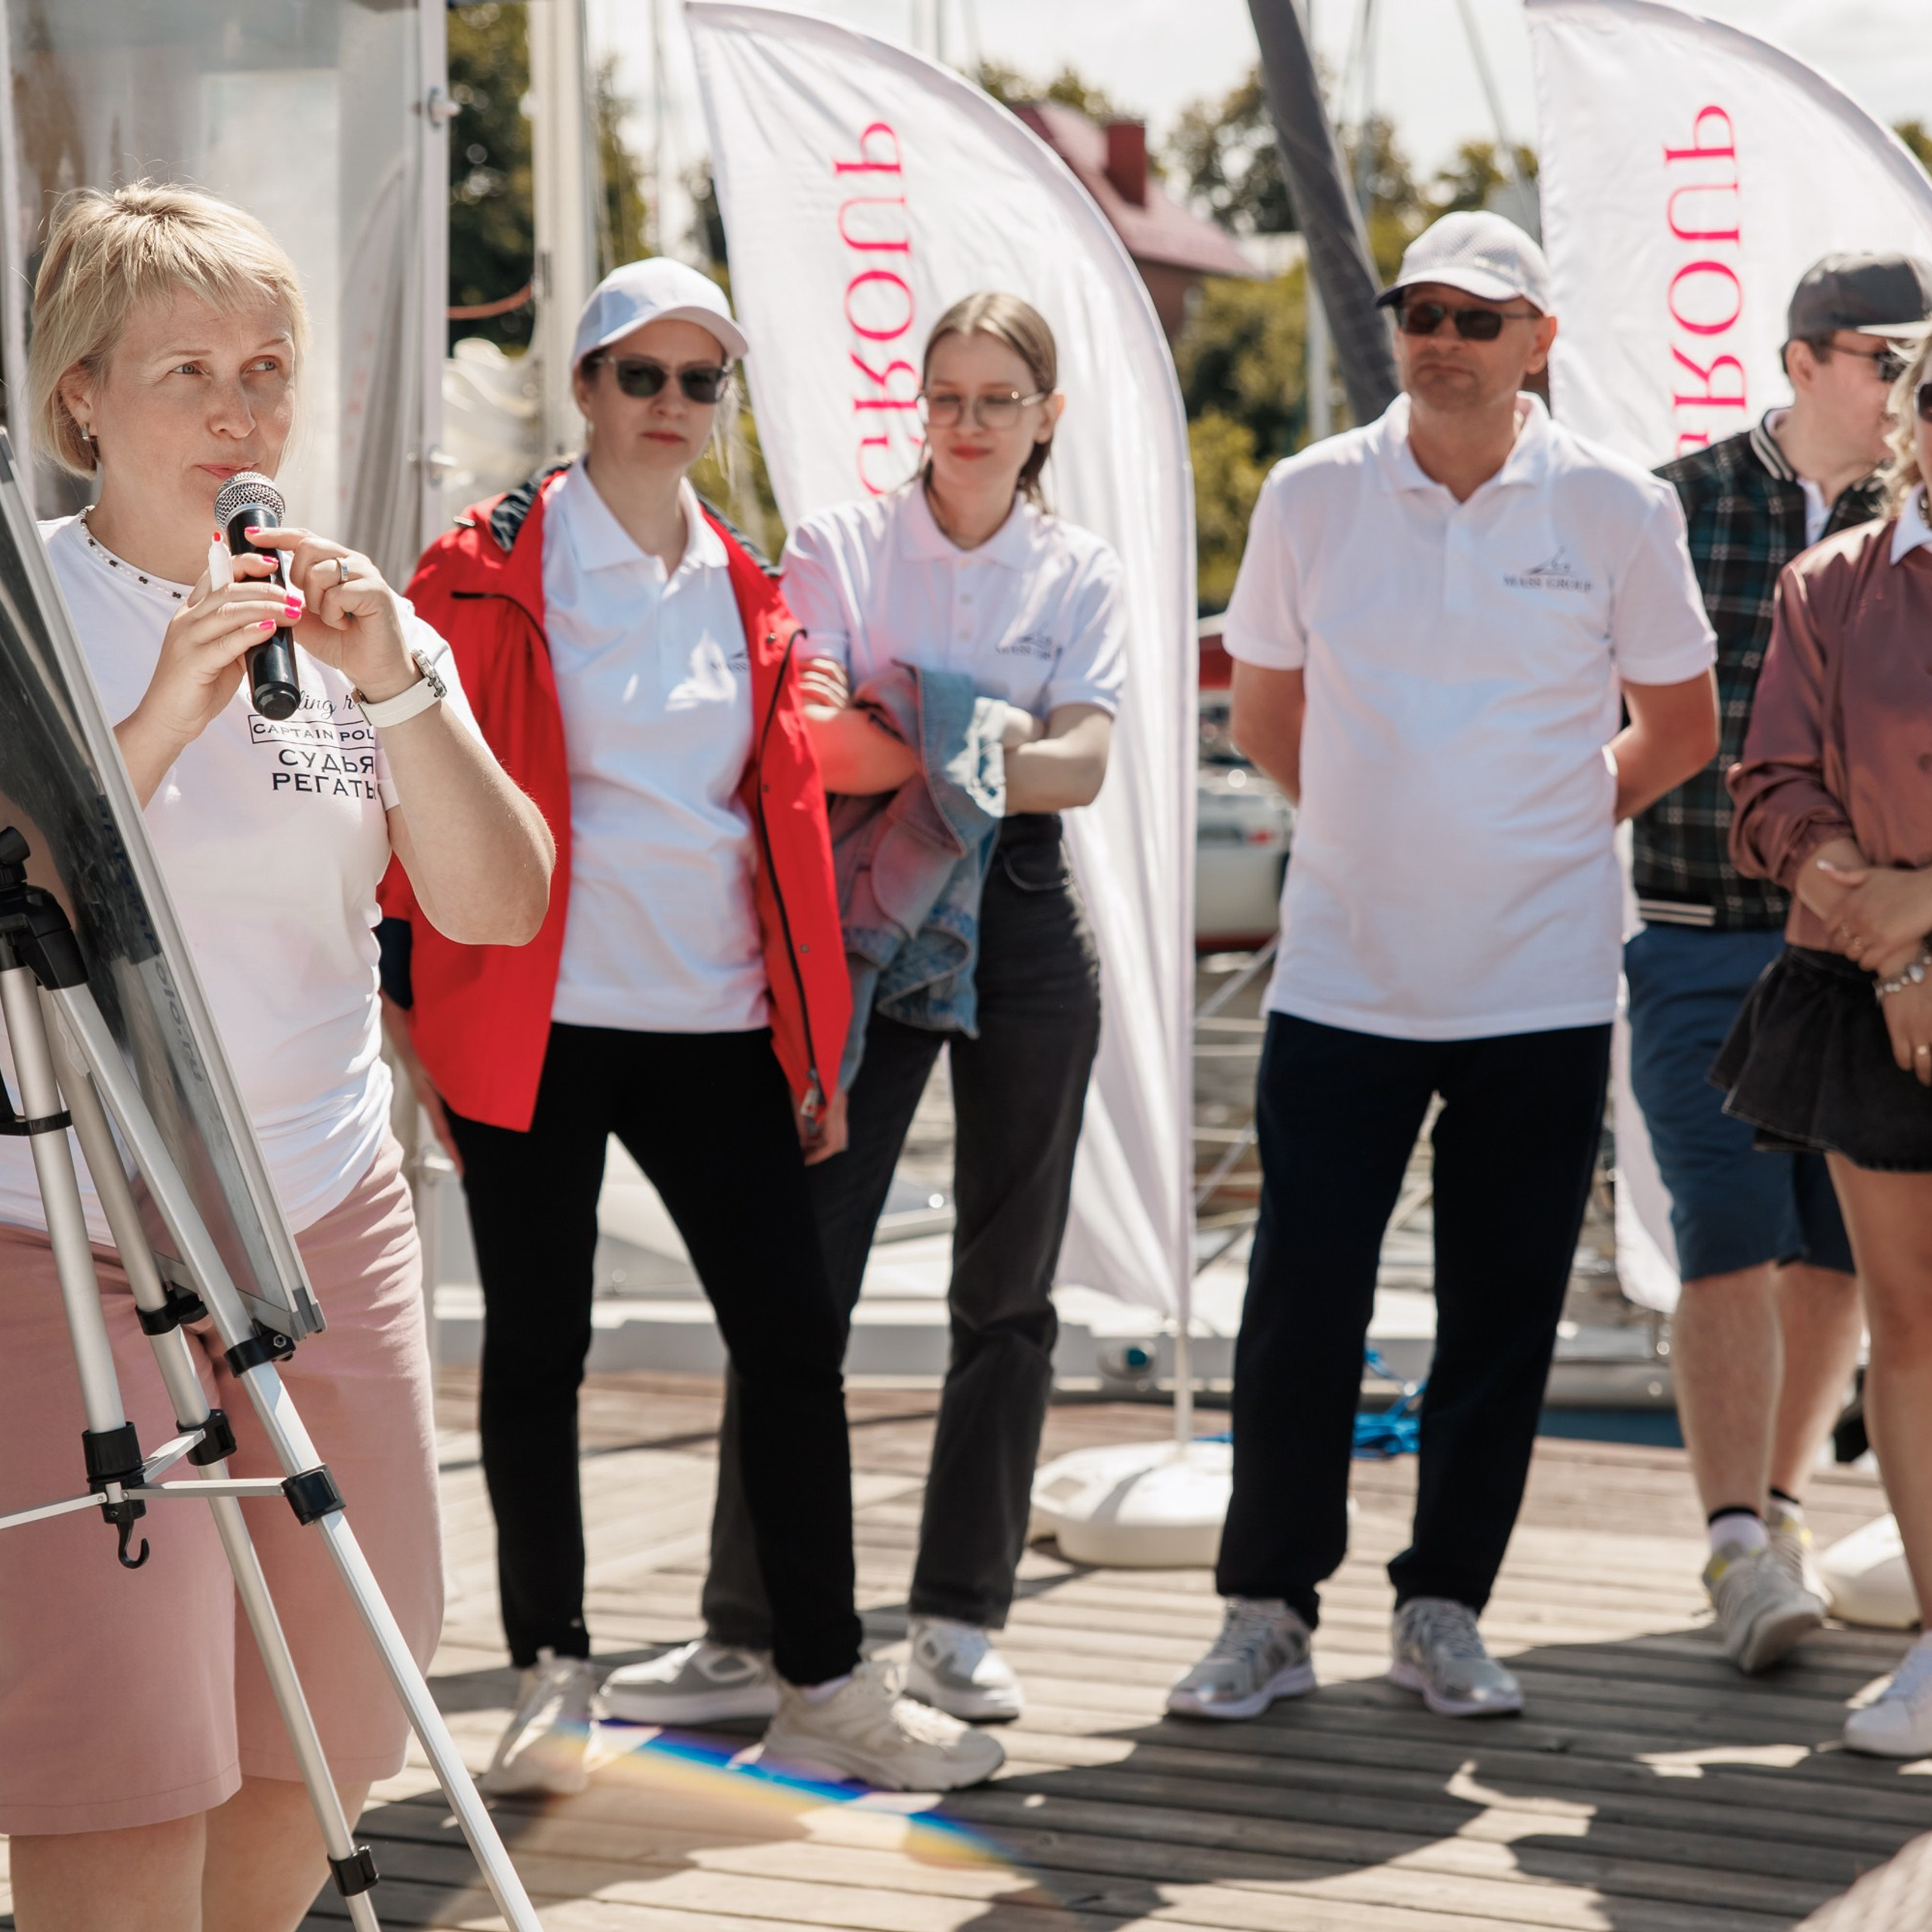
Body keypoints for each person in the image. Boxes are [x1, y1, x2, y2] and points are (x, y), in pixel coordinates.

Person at [0, 183, 555, 1932]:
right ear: (81, 395)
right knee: (119, 1741)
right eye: (190, 373)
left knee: (312, 1722)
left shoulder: (354, 622)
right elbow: (26, 906)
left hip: (319, 1216)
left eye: (269, 369)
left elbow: (501, 899)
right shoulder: (31, 619)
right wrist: (163, 705)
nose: (242, 416)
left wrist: (397, 686)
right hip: (65, 1231)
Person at [388, 257, 1002, 1794]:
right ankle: (552, 1673)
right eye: (640, 375)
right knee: (535, 1349)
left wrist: (807, 1042)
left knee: (792, 1344)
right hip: (537, 1016)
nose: (670, 405)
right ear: (583, 389)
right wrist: (411, 1025)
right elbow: (396, 816)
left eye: (696, 381)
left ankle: (821, 1682)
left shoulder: (746, 584)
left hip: (718, 1021)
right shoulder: (472, 575)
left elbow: (780, 811)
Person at [1164, 211, 1719, 1724]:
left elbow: (1679, 730)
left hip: (1539, 983)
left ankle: (1441, 1606)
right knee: (1299, 1304)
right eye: (1421, 309)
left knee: (1500, 1308)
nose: (1441, 337)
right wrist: (1370, 824)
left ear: (1538, 340)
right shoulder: (1309, 493)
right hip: (1340, 977)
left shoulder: (1615, 506)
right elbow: (1263, 716)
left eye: (1478, 317)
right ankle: (1265, 1607)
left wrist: (1547, 812)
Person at [605, 291, 1124, 1729]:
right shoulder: (839, 543)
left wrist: (919, 734)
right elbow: (812, 748)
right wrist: (979, 733)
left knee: (1006, 1291)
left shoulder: (1079, 568)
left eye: (998, 400)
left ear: (1046, 417)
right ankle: (741, 1630)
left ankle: (960, 1618)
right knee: (800, 1283)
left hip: (1019, 910)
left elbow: (1082, 773)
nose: (966, 425)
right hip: (864, 917)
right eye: (945, 396)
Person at [1631, 252, 1932, 1675]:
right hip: (1701, 927)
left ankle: (1793, 1506)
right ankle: (1738, 1544)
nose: (1902, 386)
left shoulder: (1909, 529)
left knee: (1835, 1260)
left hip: (1871, 955)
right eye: (1885, 357)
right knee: (1727, 1234)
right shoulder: (1675, 508)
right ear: (1804, 359)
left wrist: (1893, 917)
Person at [1718, 327, 1932, 1756]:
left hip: (1898, 965)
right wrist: (1902, 947)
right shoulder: (1832, 588)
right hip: (1873, 1003)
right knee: (1912, 1324)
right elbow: (1770, 793)